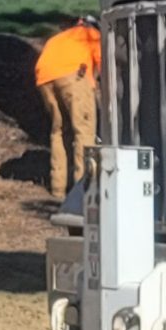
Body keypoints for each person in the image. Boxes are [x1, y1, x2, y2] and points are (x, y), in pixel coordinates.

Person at [34, 15, 102, 198]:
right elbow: (106, 66)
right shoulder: (91, 34)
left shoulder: (58, 38)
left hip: (44, 78)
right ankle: (84, 188)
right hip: (74, 76)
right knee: (84, 132)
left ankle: (57, 188)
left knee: (59, 131)